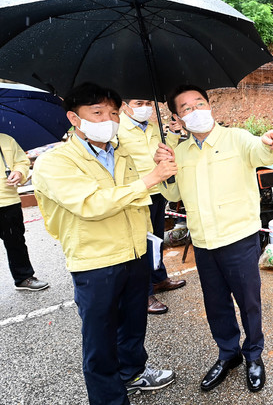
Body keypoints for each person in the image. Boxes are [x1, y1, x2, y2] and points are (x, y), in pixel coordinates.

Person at [33, 83, 178, 405]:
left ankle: (133, 372)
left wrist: (162, 167)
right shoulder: (55, 162)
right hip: (95, 261)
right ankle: (109, 398)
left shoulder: (121, 152)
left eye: (113, 113)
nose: (108, 119)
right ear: (74, 117)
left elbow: (149, 196)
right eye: (97, 112)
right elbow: (92, 204)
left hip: (135, 252)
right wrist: (149, 178)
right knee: (99, 339)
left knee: (132, 324)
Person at [154, 84, 273, 393]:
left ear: (210, 106)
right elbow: (173, 193)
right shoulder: (181, 151)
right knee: (216, 304)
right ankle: (229, 354)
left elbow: (262, 152)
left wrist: (271, 143)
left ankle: (254, 356)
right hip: (203, 242)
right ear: (177, 117)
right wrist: (161, 169)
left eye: (199, 103)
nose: (195, 110)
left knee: (248, 302)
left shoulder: (236, 138)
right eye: (186, 108)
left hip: (238, 238)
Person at [118, 98, 185, 315]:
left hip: (158, 190)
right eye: (139, 103)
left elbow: (167, 152)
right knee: (141, 244)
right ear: (124, 105)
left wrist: (174, 134)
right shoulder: (117, 128)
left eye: (147, 102)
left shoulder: (154, 127)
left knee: (156, 238)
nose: (145, 107)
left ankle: (159, 278)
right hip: (136, 192)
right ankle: (144, 293)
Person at [0, 133, 48, 291]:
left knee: (16, 242)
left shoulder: (6, 140)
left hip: (8, 201)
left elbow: (22, 160)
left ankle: (23, 278)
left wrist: (19, 172)